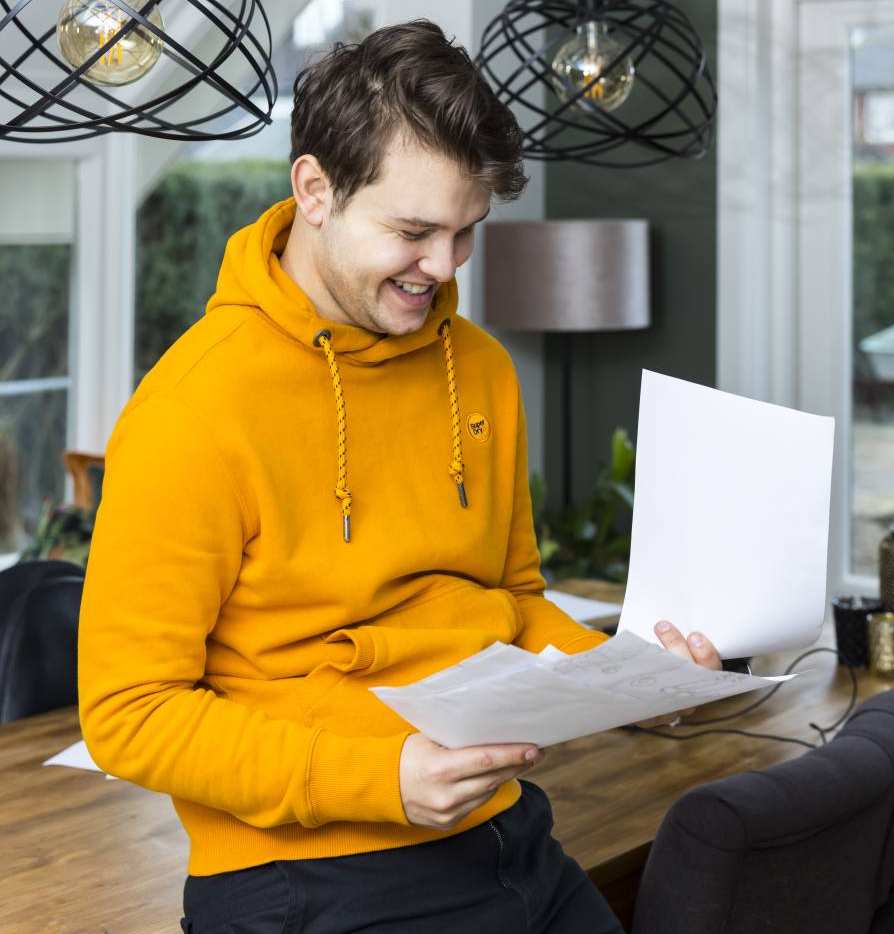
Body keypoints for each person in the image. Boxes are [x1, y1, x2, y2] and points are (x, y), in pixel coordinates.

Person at [77, 19, 721, 934]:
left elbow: (511, 603)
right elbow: (128, 713)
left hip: (509, 833)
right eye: (413, 231)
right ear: (314, 189)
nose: (444, 268)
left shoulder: (482, 367)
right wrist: (377, 780)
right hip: (310, 879)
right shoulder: (194, 407)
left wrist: (637, 683)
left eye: (465, 233)